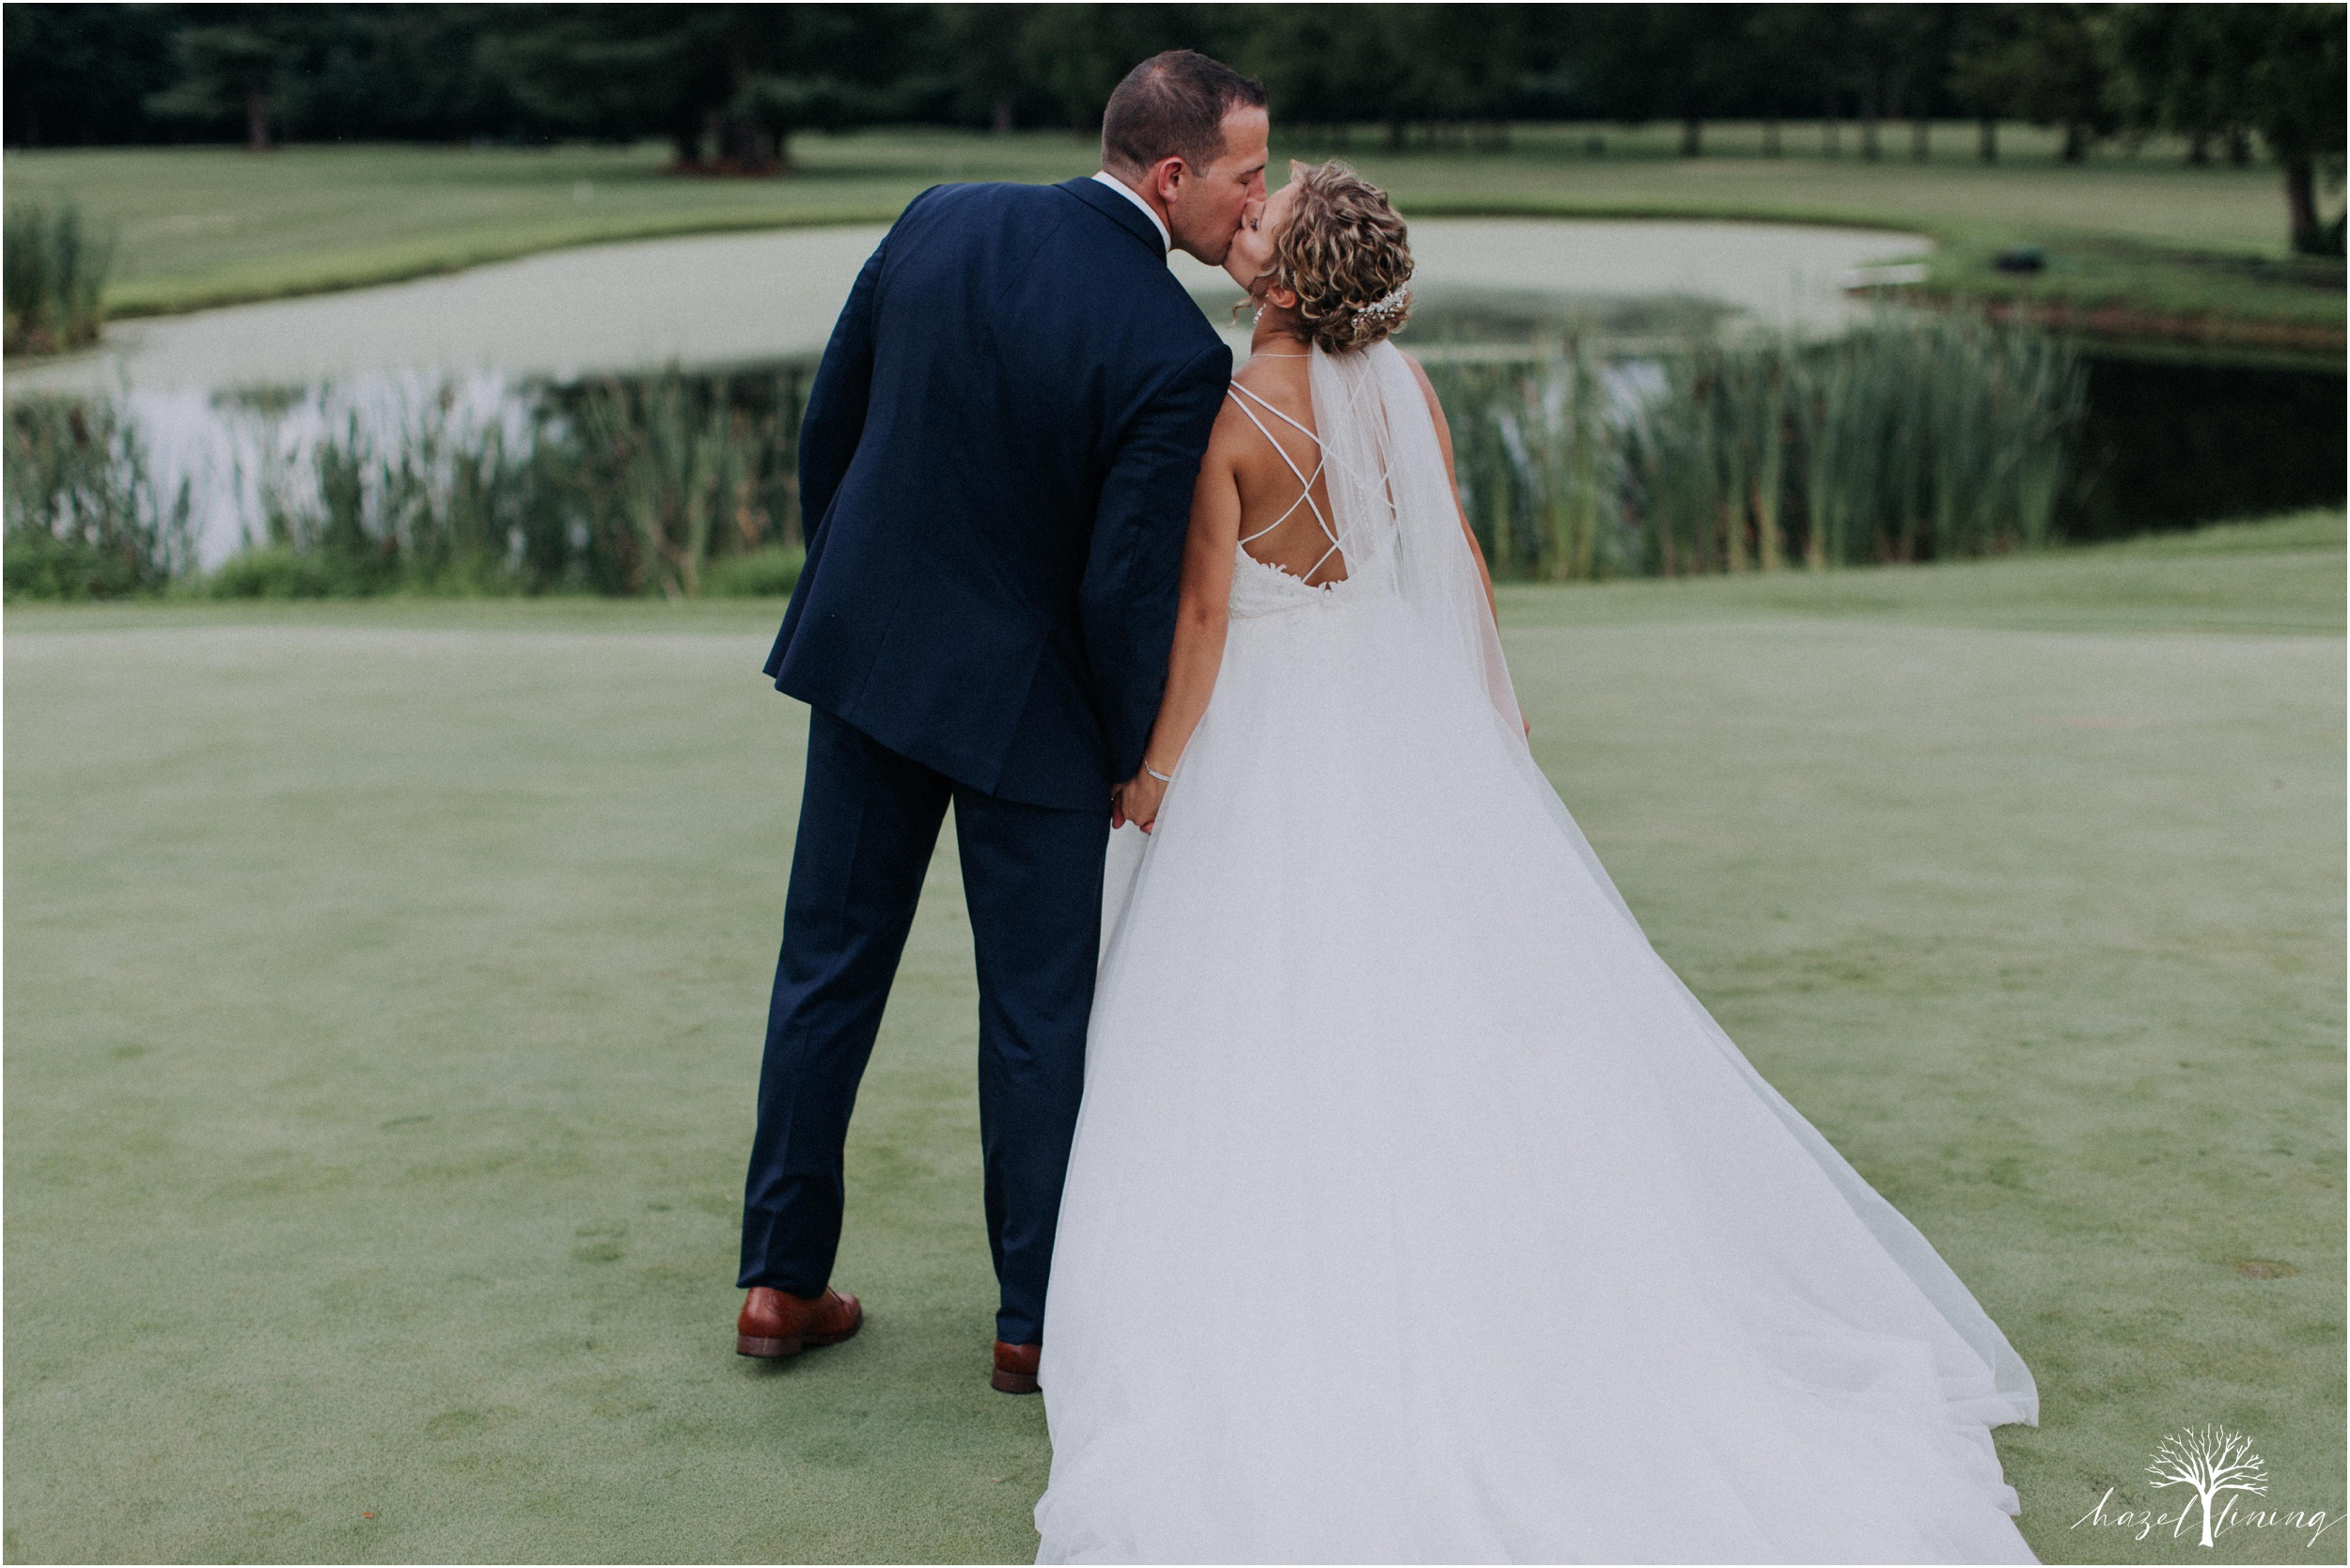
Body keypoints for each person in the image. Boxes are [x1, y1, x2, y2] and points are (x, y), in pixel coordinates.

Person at [1031, 161, 2043, 1563]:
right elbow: (1455, 564)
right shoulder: (1408, 393)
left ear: (1273, 283)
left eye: (1266, 216)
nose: (1247, 218)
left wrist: (1148, 775)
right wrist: (1492, 727)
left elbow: (1205, 623)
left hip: (1272, 730)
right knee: (1445, 991)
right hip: (1398, 707)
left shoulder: (1231, 422)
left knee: (1271, 1011)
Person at [732, 52, 1268, 1395]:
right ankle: (1029, 1324)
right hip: (1035, 718)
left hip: (873, 664)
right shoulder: (1171, 350)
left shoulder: (938, 216)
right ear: (1170, 174)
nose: (1252, 204)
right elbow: (1122, 583)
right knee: (1037, 1014)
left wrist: (855, 599)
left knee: (826, 972)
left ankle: (777, 1286)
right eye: (1245, 175)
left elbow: (831, 427)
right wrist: (1123, 746)